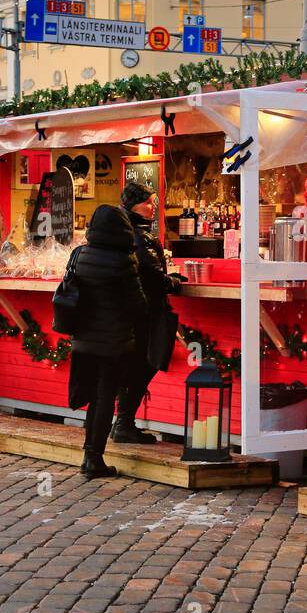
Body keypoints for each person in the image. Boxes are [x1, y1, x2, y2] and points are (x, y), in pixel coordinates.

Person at [66, 203, 149, 477]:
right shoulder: (123, 261)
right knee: (104, 398)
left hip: (83, 339)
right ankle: (93, 458)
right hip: (112, 342)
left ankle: (89, 454)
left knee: (93, 398)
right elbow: (138, 306)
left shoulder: (79, 255)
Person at [111, 181, 183, 444]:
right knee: (143, 365)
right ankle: (124, 423)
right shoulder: (139, 236)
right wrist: (172, 282)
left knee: (133, 366)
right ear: (133, 205)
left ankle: (122, 422)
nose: (153, 207)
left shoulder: (123, 231)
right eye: (148, 202)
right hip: (145, 311)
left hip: (129, 310)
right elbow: (152, 275)